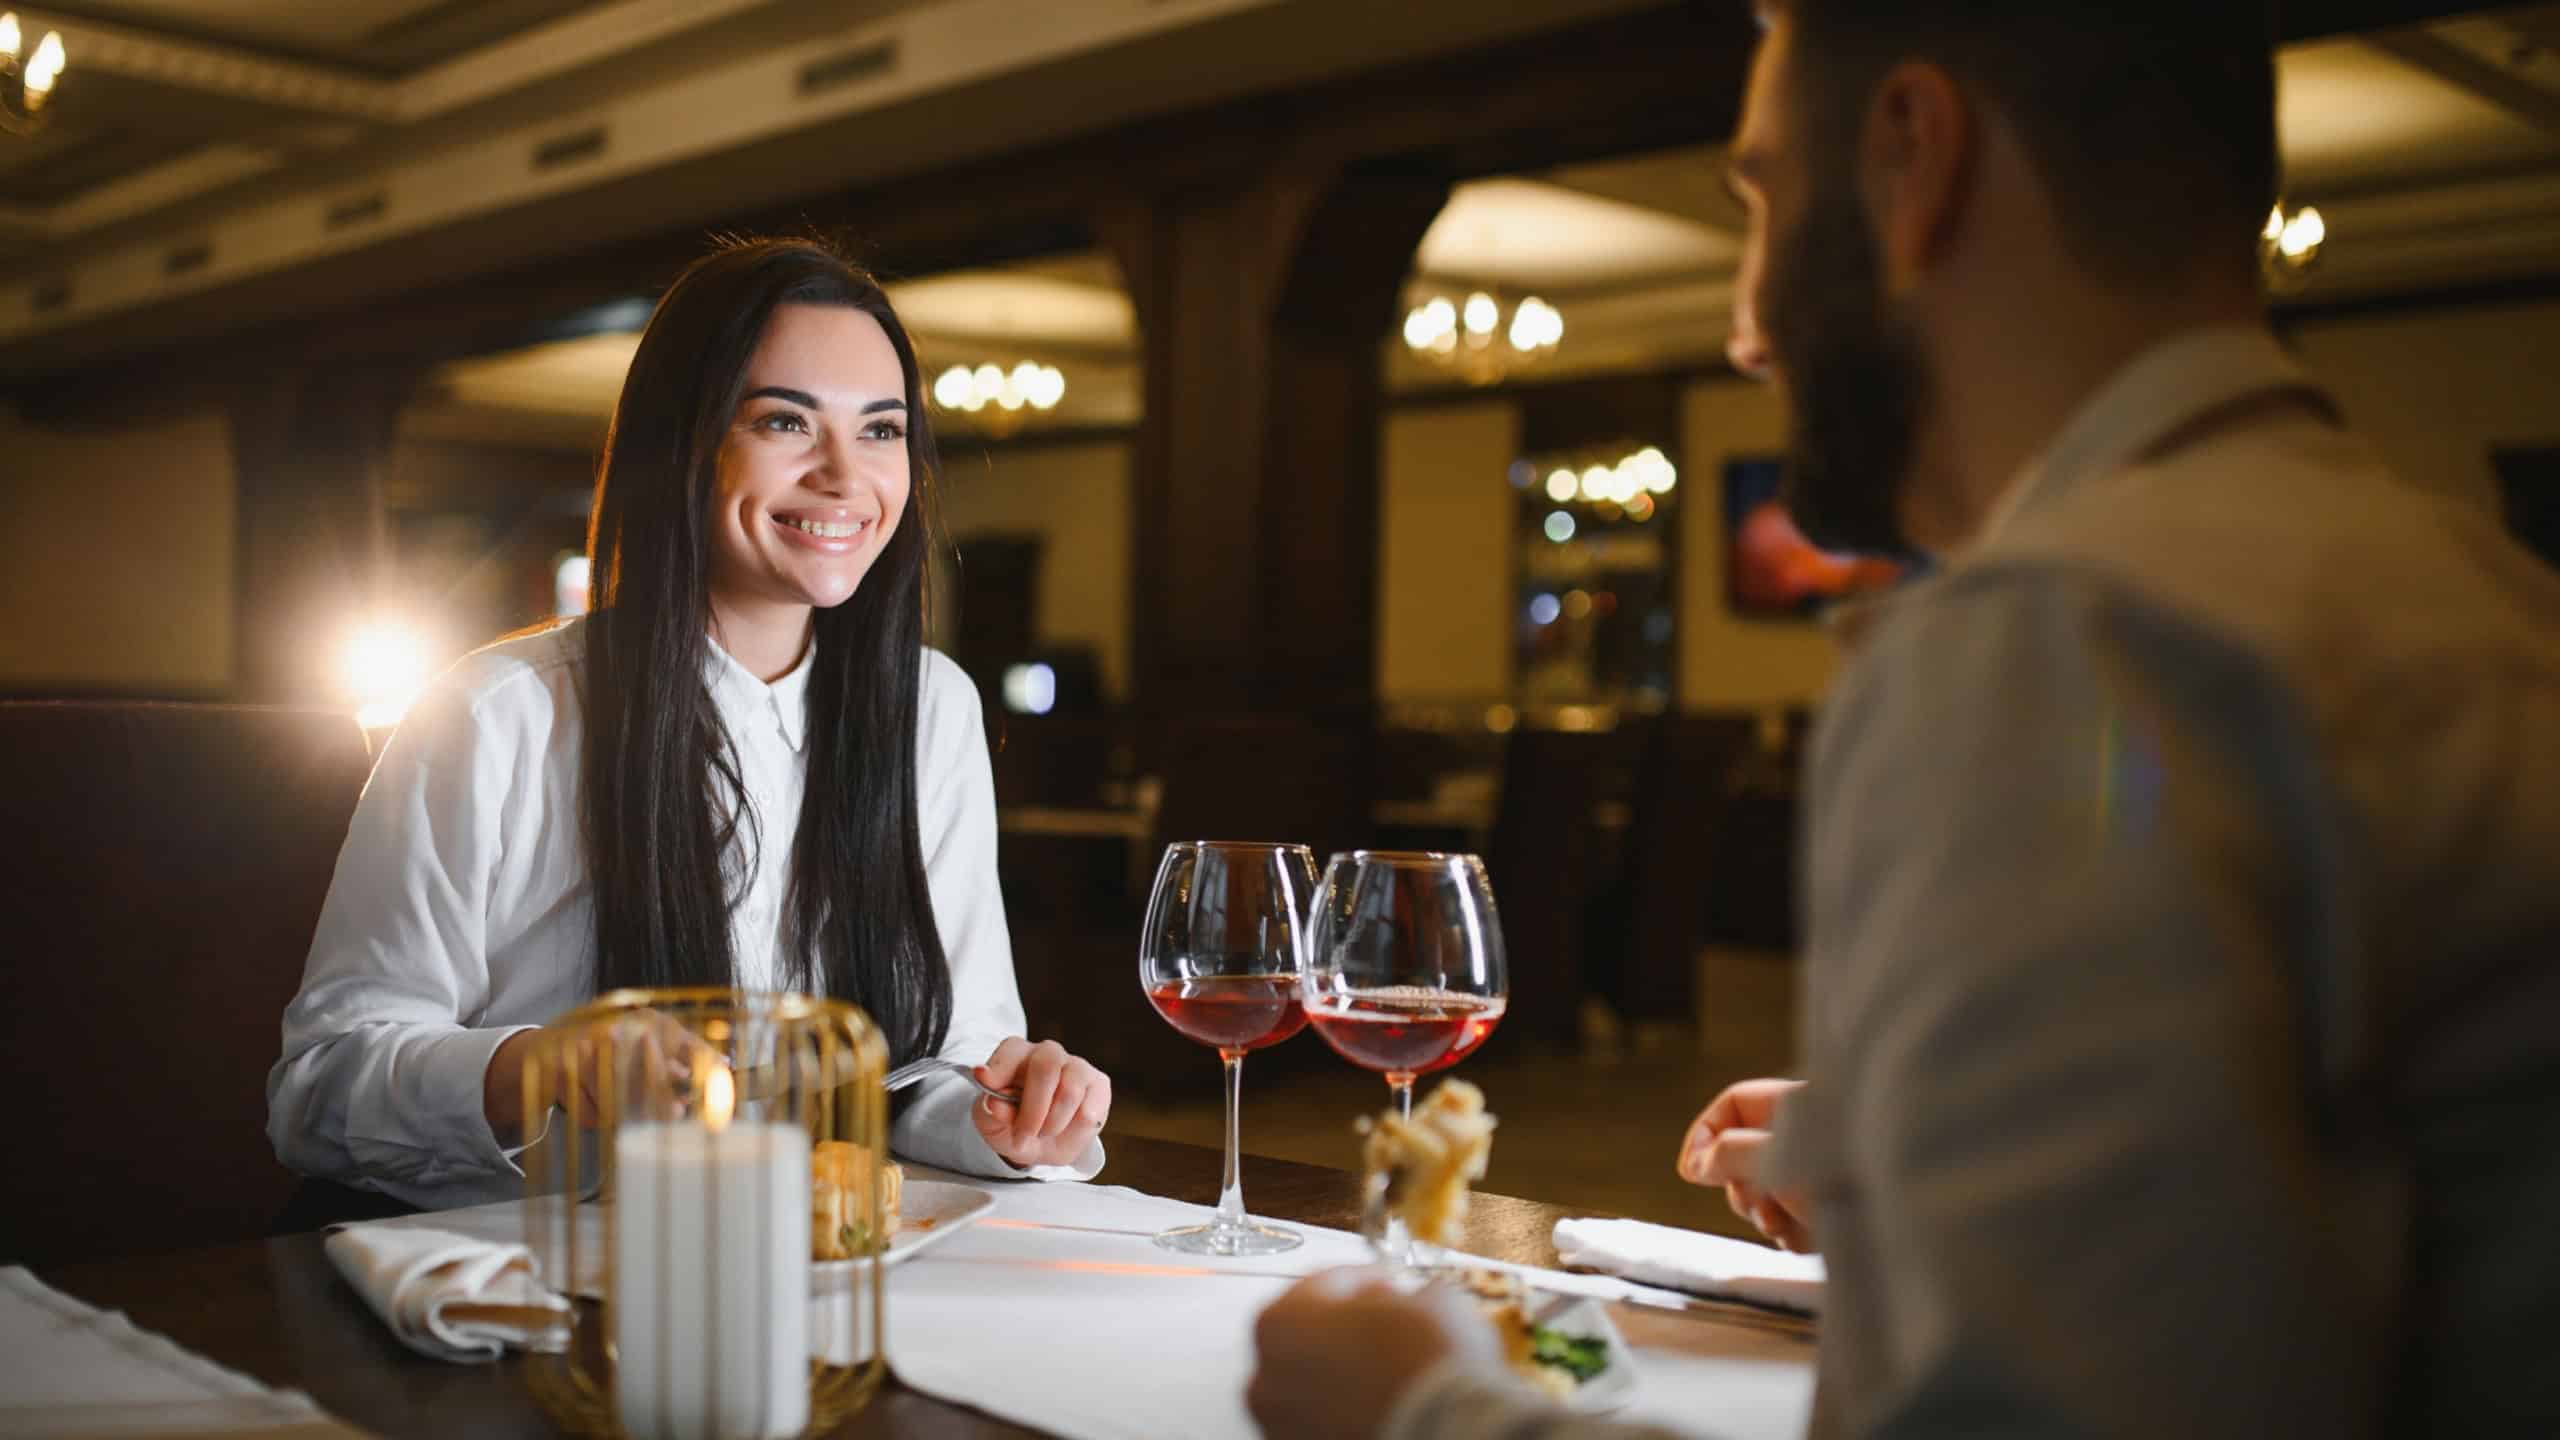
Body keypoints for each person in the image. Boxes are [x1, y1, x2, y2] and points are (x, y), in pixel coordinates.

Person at [1249, 0, 2560, 1434]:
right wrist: (1933, 1146)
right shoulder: (2489, 590)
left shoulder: (2055, 632)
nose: (1749, 330)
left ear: (1913, 153)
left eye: (1761, 204)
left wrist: (1419, 1410)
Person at [269, 238, 1111, 1212]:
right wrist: (536, 1067)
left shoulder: (935, 707)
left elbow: (937, 1063)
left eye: (881, 431)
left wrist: (1005, 1112)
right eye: (785, 420)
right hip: (547, 1277)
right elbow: (318, 1092)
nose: (845, 475)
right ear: (683, 442)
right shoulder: (497, 713)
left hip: (832, 1270)